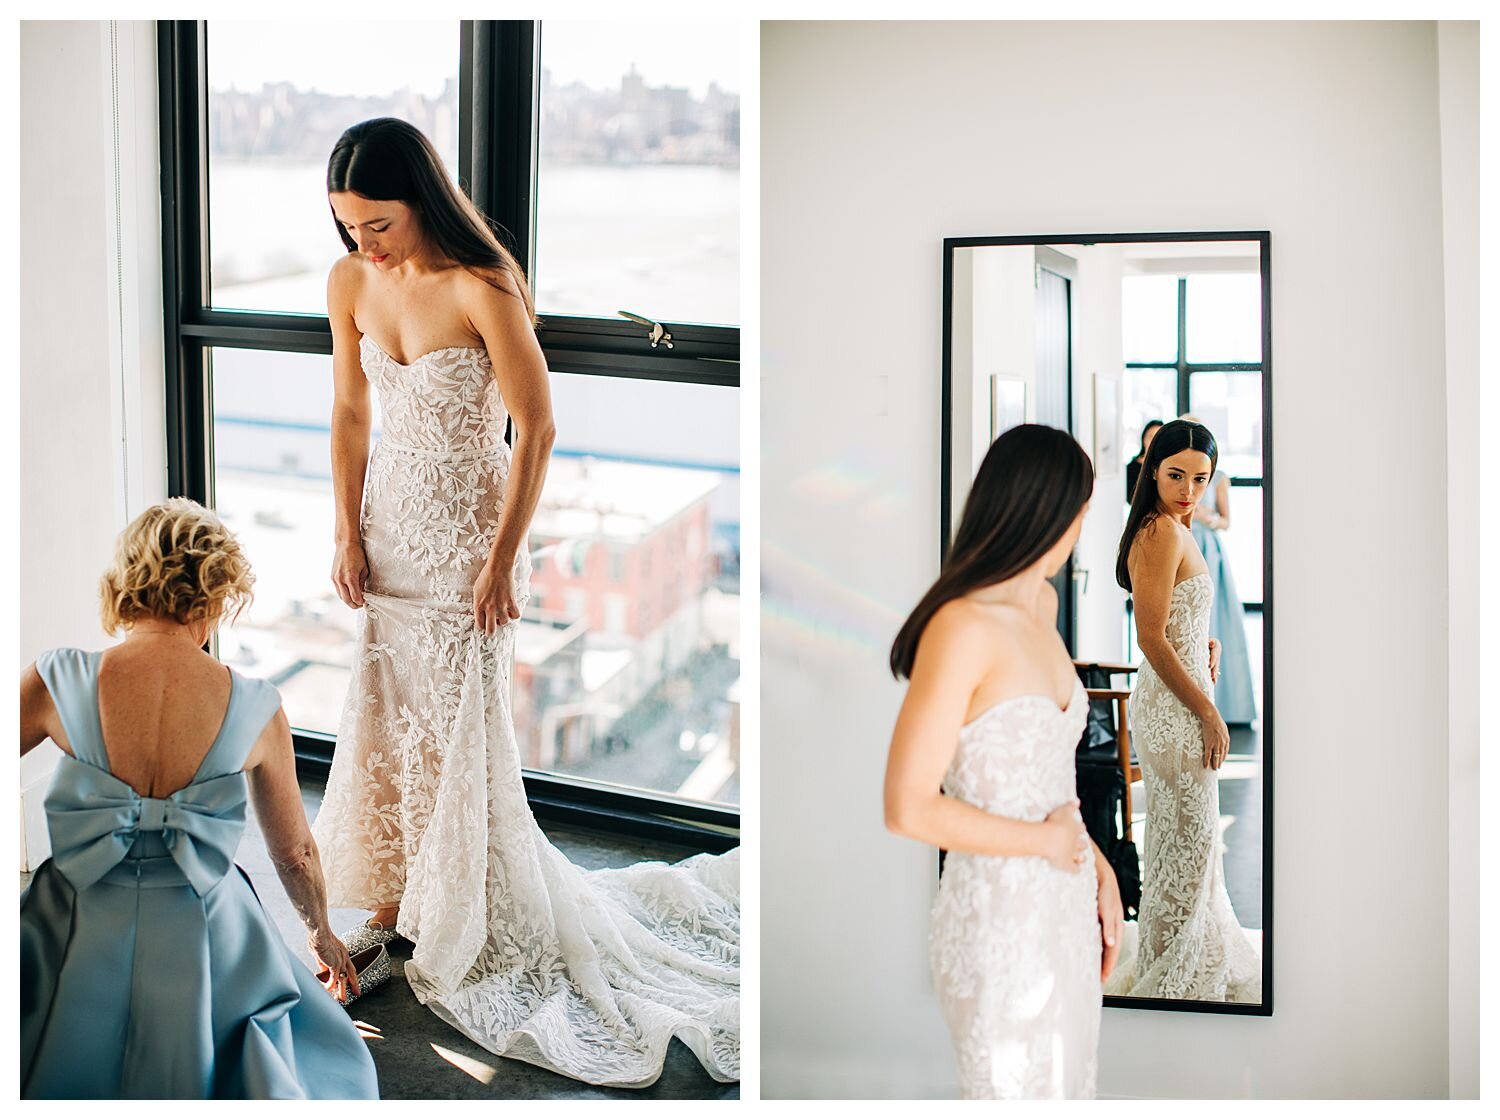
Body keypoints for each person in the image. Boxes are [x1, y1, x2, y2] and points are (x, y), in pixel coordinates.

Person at [311, 118, 738, 1088]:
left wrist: (503, 560)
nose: (365, 245)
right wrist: (344, 532)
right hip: (387, 531)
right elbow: (346, 411)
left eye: (378, 223)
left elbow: (537, 426)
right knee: (387, 719)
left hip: (468, 540)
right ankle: (390, 909)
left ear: (421, 199)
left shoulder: (482, 284)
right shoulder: (350, 283)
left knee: (462, 730)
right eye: (348, 227)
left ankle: (461, 904)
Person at [19, 499, 379, 1099]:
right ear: (216, 597)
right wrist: (321, 934)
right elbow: (293, 853)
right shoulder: (257, 705)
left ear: (126, 581)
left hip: (72, 925)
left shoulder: (56, 679)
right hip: (203, 938)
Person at [884, 424, 1122, 1100]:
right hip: (997, 921)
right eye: (1081, 513)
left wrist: (1094, 863)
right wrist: (1045, 842)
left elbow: (1046, 770)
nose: (1082, 528)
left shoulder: (1042, 605)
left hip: (1063, 905)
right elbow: (907, 806)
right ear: (1048, 513)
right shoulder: (962, 628)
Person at [1105, 419, 1260, 1002]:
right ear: (1153, 472)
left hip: (1184, 693)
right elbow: (1149, 638)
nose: (1189, 488)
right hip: (1176, 708)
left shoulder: (1176, 526)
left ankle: (1182, 957)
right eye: (1176, 475)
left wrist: (1205, 642)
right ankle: (1173, 973)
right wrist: (1209, 715)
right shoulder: (1160, 530)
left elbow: (1174, 619)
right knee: (1187, 843)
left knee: (1185, 843)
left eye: (1201, 477)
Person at [1182, 438, 1257, 725]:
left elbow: (1226, 520)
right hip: (1187, 539)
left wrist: (1207, 517)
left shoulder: (1219, 478)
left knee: (1216, 618)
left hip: (1207, 546)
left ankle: (1227, 705)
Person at [1124, 418, 1162, 502]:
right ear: (1144, 439)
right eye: (1151, 436)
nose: (1154, 441)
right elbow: (1130, 497)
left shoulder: (1167, 465)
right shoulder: (1132, 467)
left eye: (1158, 437)